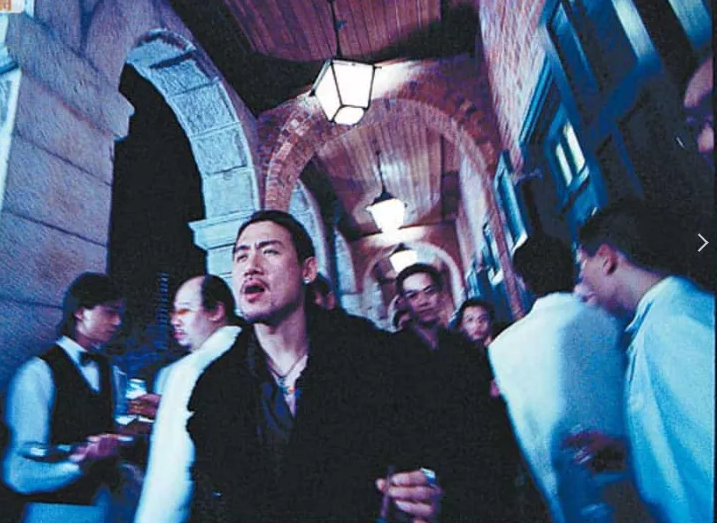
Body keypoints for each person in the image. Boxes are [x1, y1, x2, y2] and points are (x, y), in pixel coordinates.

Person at [186, 210, 440, 523]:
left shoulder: (374, 361)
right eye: (241, 256)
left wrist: (428, 491)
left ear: (307, 269)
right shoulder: (215, 391)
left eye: (269, 251)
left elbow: (428, 456)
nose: (251, 266)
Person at [575, 200, 715, 523]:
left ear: (607, 259)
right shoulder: (658, 323)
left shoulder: (675, 326)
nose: (581, 283)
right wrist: (624, 451)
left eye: (582, 265)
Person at [488, 235, 637, 523]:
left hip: (566, 488)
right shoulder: (611, 321)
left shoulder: (503, 347)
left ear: (523, 281)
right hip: (635, 472)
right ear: (573, 268)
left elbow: (529, 429)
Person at [2, 273, 127, 523]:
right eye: (110, 312)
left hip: (103, 509)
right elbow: (18, 471)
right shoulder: (37, 373)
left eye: (119, 314)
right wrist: (75, 466)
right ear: (80, 312)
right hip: (53, 511)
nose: (117, 322)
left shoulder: (112, 373)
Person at [394, 265, 515, 521]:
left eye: (429, 291)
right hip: (428, 472)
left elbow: (486, 404)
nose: (423, 301)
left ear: (441, 295)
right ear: (403, 301)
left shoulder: (463, 347)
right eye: (413, 295)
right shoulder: (391, 352)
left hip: (476, 467)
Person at [135, 275, 242, 523]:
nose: (174, 320)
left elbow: (171, 477)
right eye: (173, 312)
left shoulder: (190, 370)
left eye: (184, 310)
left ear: (216, 311)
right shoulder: (257, 354)